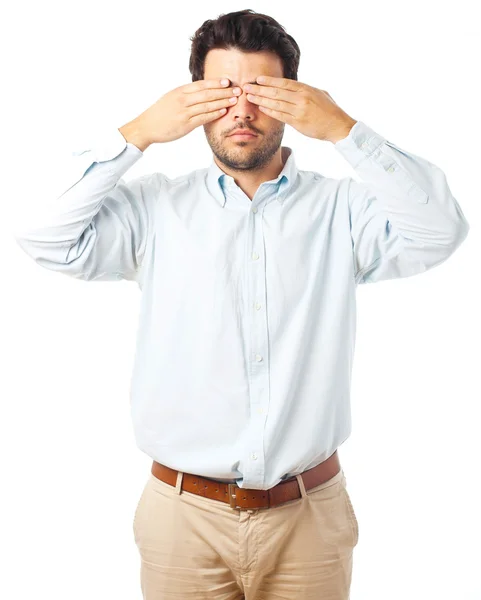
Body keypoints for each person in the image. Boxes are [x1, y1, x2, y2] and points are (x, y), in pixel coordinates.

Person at [13, 8, 470, 600]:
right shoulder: (153, 210)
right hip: (182, 521)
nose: (242, 111)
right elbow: (41, 236)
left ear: (294, 97)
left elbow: (441, 231)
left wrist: (343, 130)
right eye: (221, 93)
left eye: (262, 91)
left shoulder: (345, 211)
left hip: (310, 518)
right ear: (194, 99)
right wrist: (137, 133)